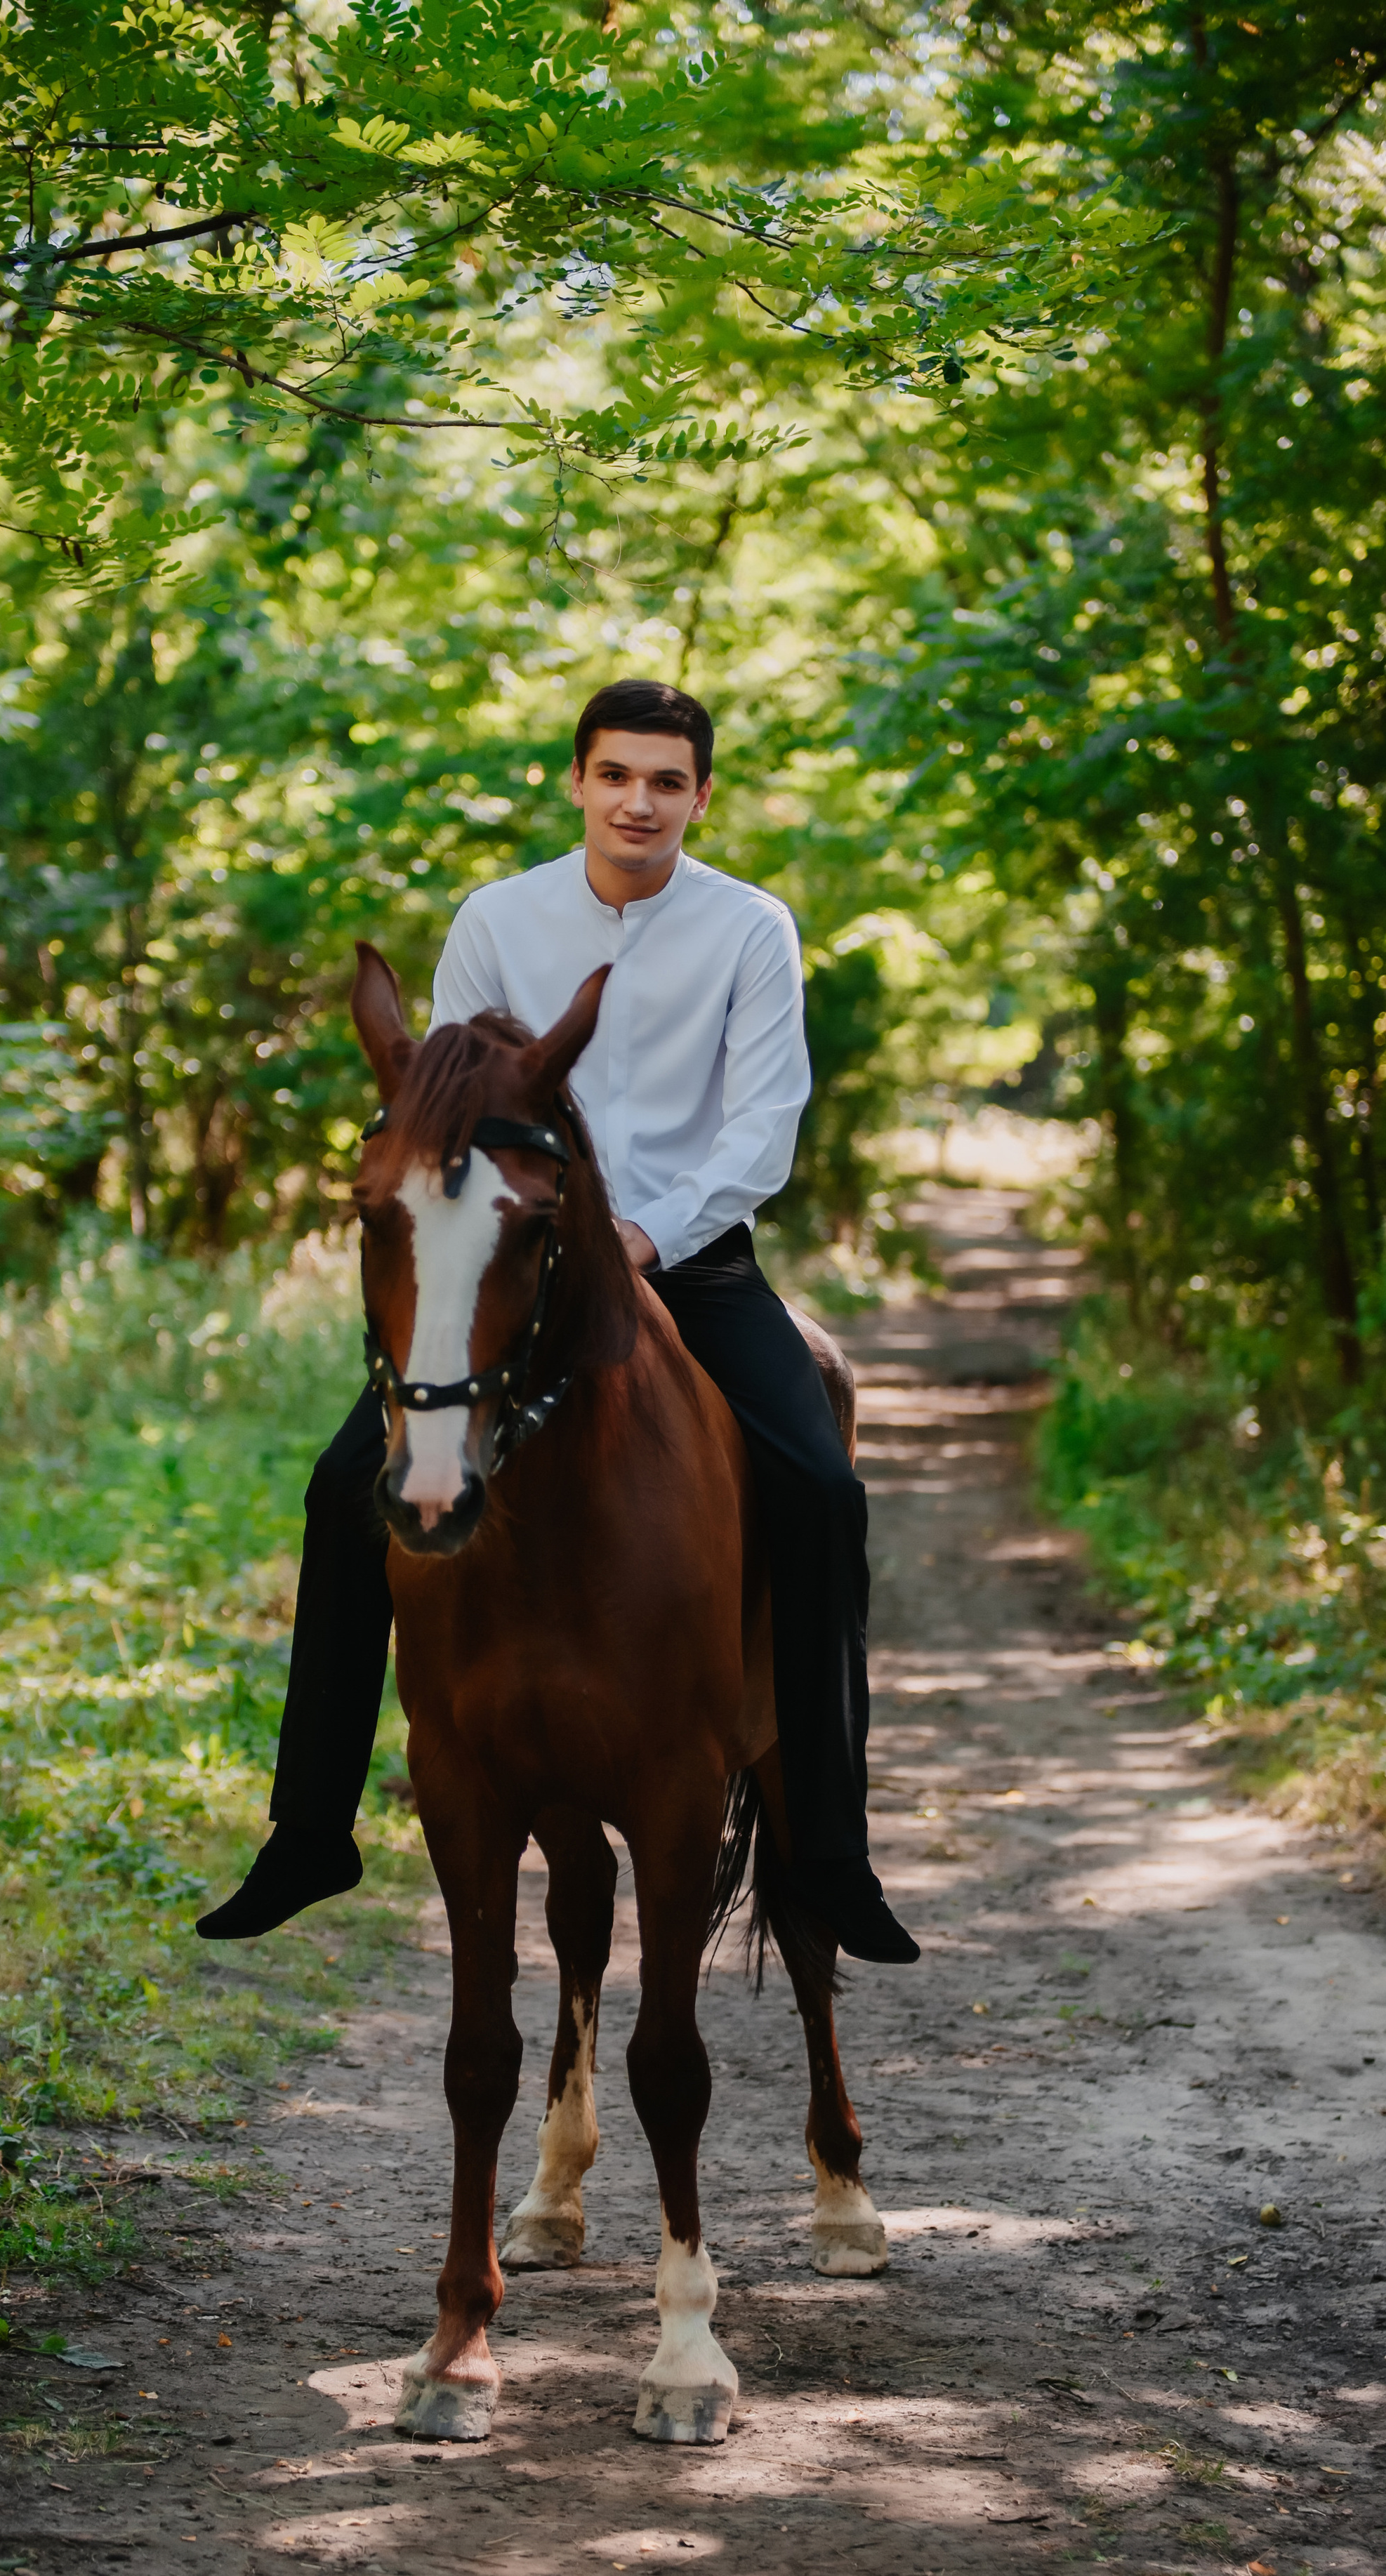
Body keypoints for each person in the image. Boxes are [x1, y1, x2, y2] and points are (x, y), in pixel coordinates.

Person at [198, 677, 918, 1964]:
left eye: (668, 780)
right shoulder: (497, 919)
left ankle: (833, 1853)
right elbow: (445, 1100)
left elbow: (764, 1127)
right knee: (335, 1487)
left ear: (701, 796)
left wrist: (652, 1233)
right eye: (617, 775)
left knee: (818, 1487)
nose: (640, 800)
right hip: (514, 1261)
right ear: (578, 783)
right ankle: (309, 1829)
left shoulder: (754, 931)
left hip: (687, 1261)